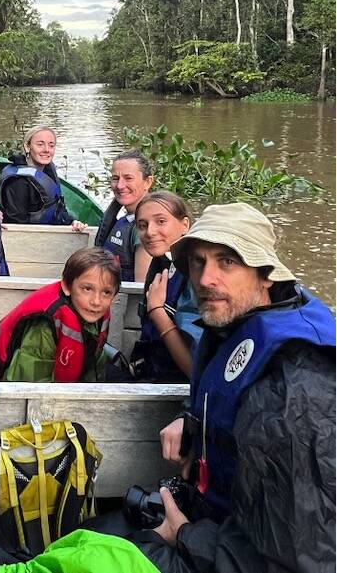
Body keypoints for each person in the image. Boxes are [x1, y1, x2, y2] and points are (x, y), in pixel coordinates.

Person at [125, 202, 336, 573]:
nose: (205, 280)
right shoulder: (240, 320)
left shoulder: (293, 386)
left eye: (227, 262)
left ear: (265, 274)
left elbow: (301, 559)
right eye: (198, 262)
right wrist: (193, 419)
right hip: (219, 528)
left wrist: (185, 535)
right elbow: (228, 389)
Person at [0, 247, 121, 383]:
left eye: (106, 292)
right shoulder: (44, 327)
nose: (96, 301)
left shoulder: (93, 314)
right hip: (4, 391)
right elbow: (28, 383)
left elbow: (94, 365)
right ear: (67, 287)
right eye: (87, 289)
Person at [131, 191, 201, 382]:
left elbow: (196, 371)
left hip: (177, 392)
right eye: (143, 225)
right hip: (152, 373)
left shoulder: (196, 277)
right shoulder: (163, 263)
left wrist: (156, 311)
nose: (150, 232)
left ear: (185, 225)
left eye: (161, 221)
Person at [0, 126, 86, 230]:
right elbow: (16, 225)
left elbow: (57, 207)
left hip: (48, 228)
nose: (46, 150)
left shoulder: (48, 169)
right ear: (27, 147)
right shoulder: (18, 182)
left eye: (51, 145)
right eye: (40, 144)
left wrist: (72, 222)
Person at [94, 150, 153, 282]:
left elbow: (140, 289)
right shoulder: (127, 218)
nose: (120, 185)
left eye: (129, 178)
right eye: (115, 178)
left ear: (148, 182)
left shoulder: (146, 226)